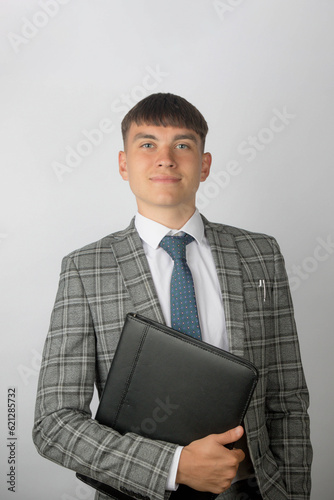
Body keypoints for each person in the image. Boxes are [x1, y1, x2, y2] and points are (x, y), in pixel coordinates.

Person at [33, 93, 312, 500]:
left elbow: (288, 402)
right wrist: (173, 465)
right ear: (123, 164)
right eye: (147, 144)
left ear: (205, 164)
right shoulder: (85, 268)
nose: (165, 158)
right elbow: (53, 424)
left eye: (182, 145)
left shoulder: (260, 255)